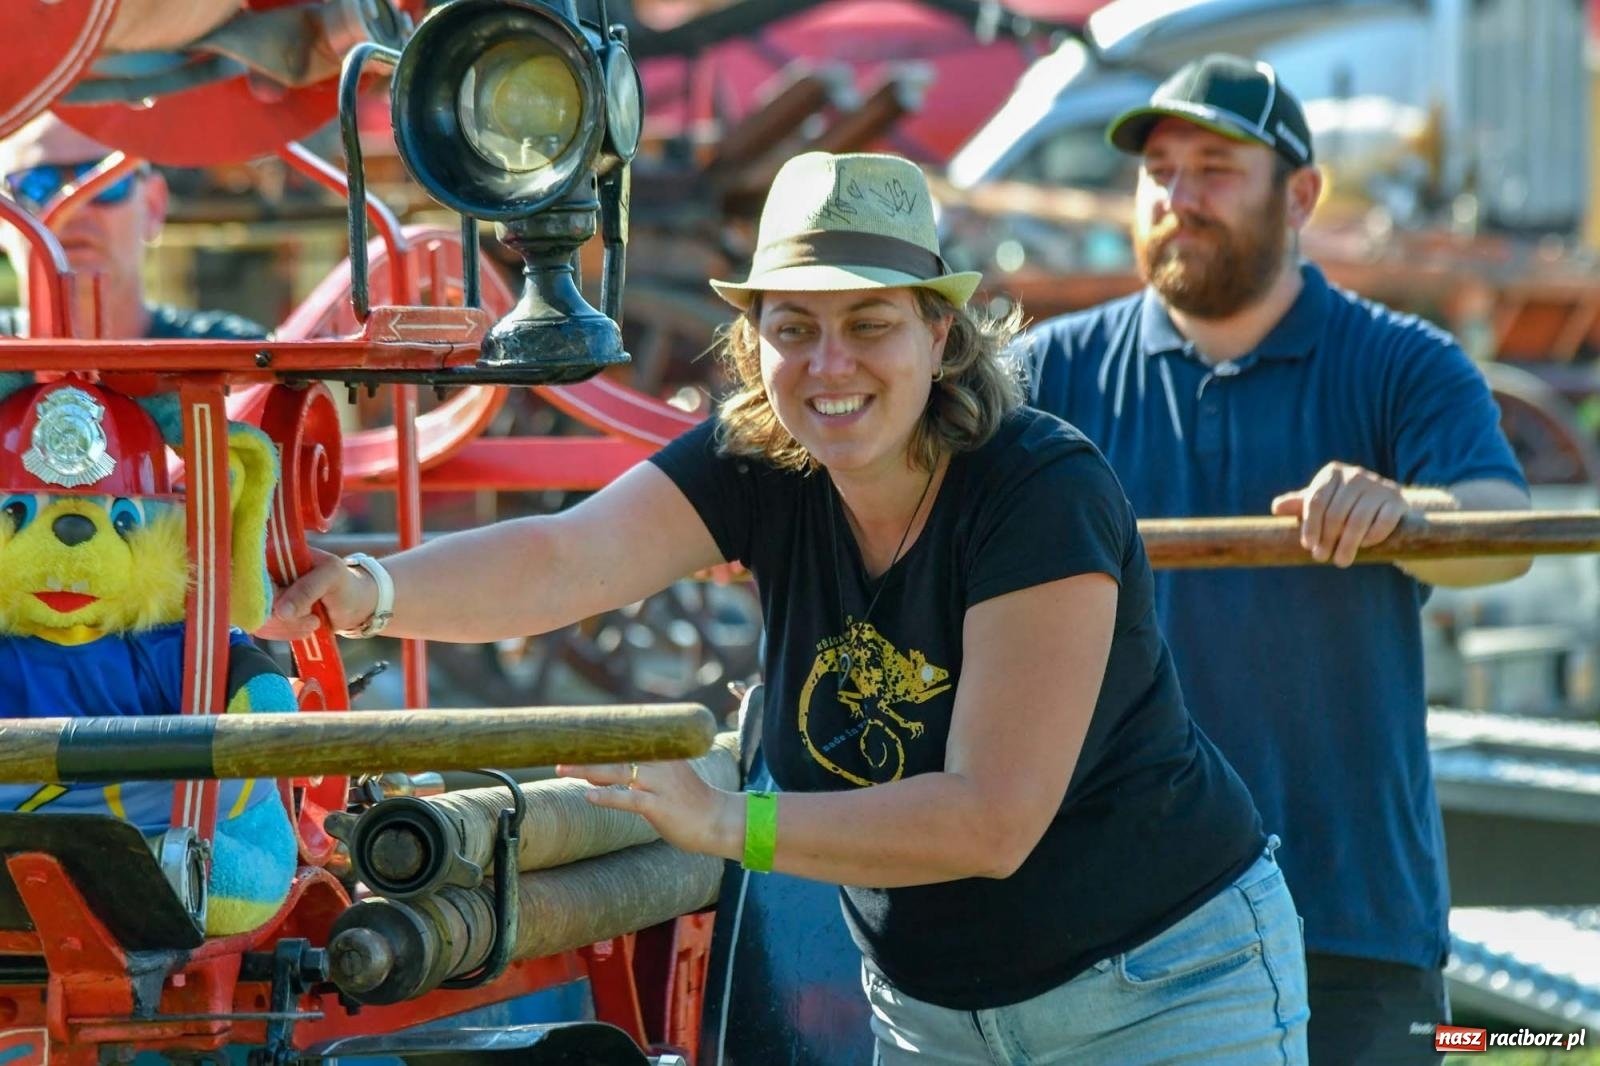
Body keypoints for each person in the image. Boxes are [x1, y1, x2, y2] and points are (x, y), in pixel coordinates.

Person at [267, 150, 1309, 1063]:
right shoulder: (760, 463)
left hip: (1159, 996)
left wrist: (725, 820)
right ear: (754, 341)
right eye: (793, 326)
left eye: (869, 323)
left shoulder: (1038, 489)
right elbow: (561, 557)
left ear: (940, 337)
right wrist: (366, 590)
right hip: (935, 1018)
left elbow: (990, 819)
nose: (829, 363)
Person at [1025, 54, 1531, 1065]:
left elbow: (1501, 533)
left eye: (1213, 168)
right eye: (1158, 171)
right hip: (1116, 924)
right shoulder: (1049, 373)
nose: (1177, 197)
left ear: (1300, 195)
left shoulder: (1402, 361)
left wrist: (1406, 512)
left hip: (1346, 919)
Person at [0, 111, 267, 340]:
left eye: (105, 182)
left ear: (153, 206)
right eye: (38, 185)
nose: (73, 207)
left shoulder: (234, 363)